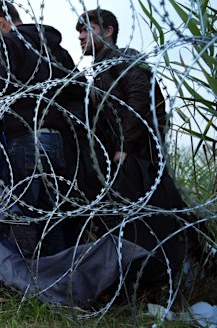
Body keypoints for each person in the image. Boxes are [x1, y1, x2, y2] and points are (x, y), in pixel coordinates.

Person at [75, 8, 200, 299]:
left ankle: (176, 274)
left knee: (157, 216)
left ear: (107, 31)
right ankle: (152, 281)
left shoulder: (123, 58)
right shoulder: (102, 69)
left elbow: (139, 96)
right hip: (130, 156)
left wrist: (125, 146)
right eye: (78, 31)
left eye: (87, 28)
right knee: (145, 218)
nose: (80, 36)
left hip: (139, 156)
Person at [0, 0, 81, 256]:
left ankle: (30, 278)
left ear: (0, 22)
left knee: (24, 214)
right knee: (52, 215)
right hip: (56, 139)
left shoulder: (8, 42)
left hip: (25, 139)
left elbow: (0, 86)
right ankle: (60, 277)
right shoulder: (54, 47)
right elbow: (77, 86)